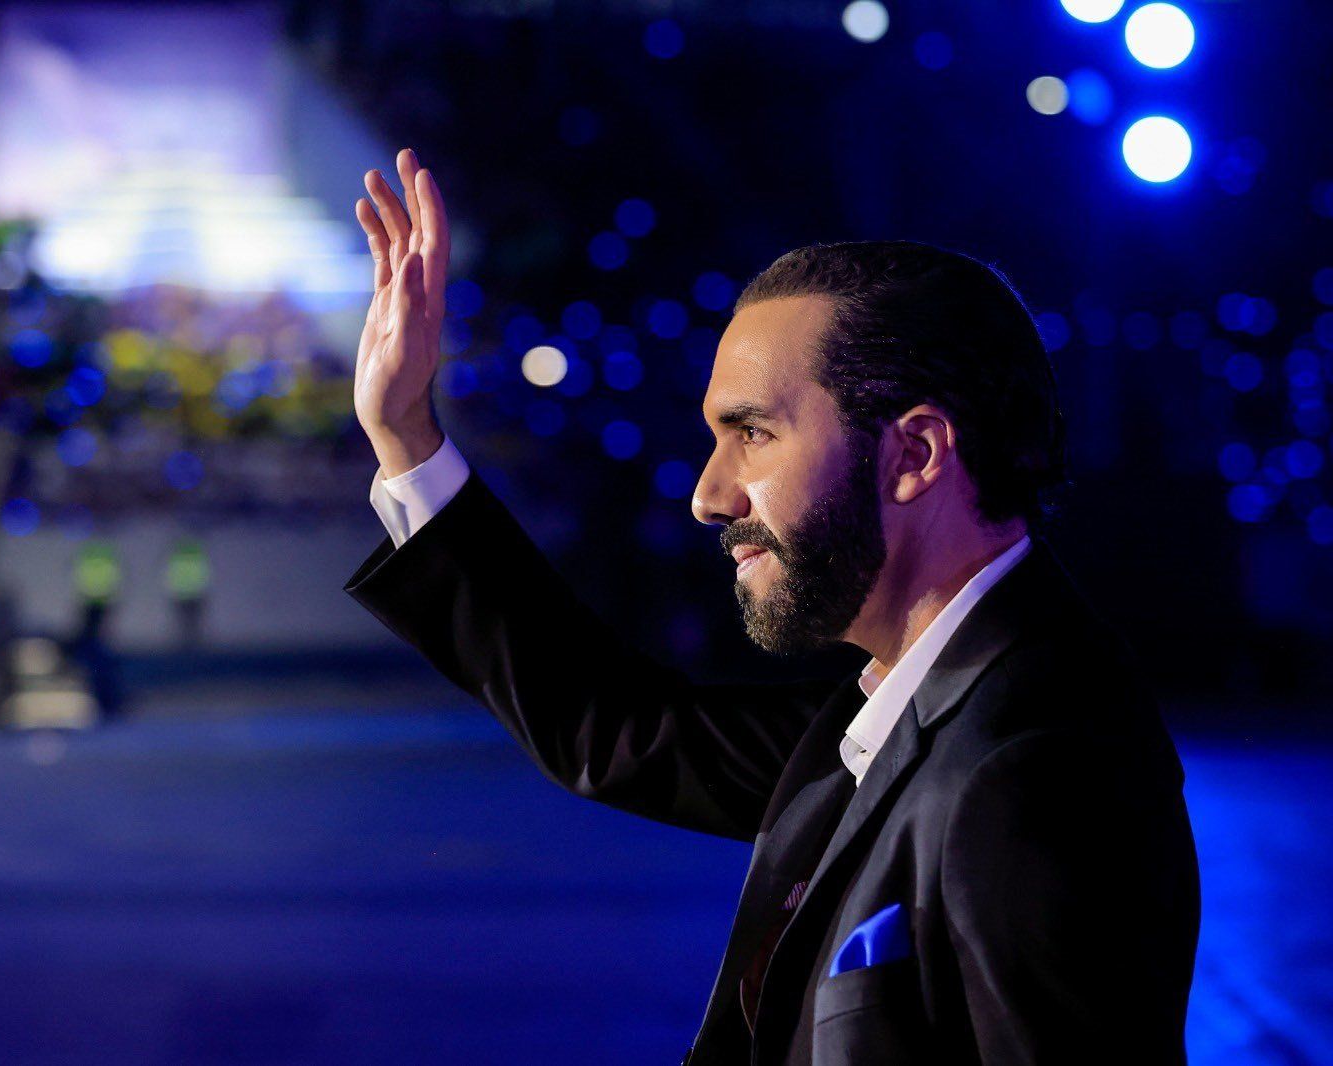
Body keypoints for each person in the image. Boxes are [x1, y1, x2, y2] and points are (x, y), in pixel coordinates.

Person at [344, 148, 1200, 1065]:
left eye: (752, 433)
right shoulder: (912, 708)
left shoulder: (1038, 768)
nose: (709, 494)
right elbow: (617, 729)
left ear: (914, 455)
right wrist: (407, 440)